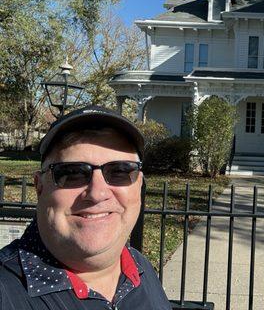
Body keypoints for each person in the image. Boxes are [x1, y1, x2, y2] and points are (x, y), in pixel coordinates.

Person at [0, 106, 172, 309]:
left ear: (139, 184)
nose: (97, 193)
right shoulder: (6, 292)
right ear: (39, 186)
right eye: (72, 173)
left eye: (120, 171)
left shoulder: (140, 268)